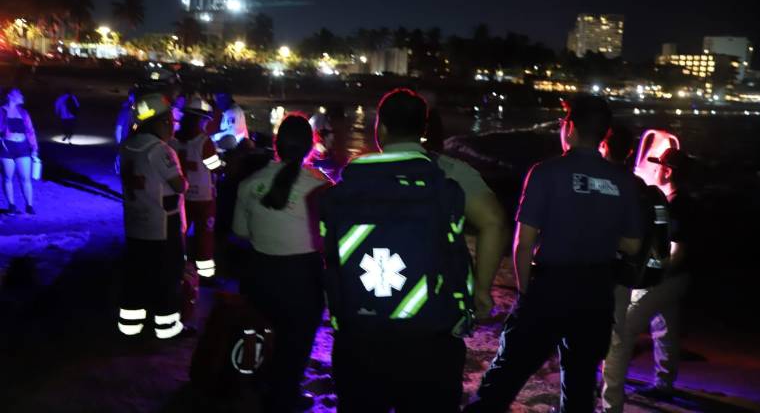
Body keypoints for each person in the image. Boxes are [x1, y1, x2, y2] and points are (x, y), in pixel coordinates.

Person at [324, 89, 508, 412]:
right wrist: (481, 290)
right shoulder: (447, 173)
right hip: (431, 338)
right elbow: (494, 221)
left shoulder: (350, 179)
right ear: (423, 130)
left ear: (379, 129)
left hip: (359, 334)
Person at [465, 95, 642, 413]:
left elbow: (523, 242)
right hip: (595, 293)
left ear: (570, 128)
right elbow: (632, 245)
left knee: (506, 376)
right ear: (603, 134)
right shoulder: (625, 182)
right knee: (579, 383)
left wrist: (524, 292)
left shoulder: (545, 172)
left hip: (551, 288)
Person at [232, 115, 329, 412]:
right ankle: (284, 396)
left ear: (276, 144)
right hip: (302, 279)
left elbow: (240, 233)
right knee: (296, 343)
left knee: (264, 332)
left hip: (259, 275)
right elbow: (331, 237)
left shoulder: (250, 183)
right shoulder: (321, 185)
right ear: (311, 147)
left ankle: (262, 381)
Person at [601, 147, 693, 412]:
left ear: (668, 171)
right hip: (680, 280)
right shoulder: (679, 201)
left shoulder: (676, 206)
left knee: (624, 330)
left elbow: (678, 250)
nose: (653, 169)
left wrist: (651, 278)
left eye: (659, 165)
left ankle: (610, 396)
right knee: (666, 328)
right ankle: (664, 383)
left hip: (667, 279)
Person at [117, 93, 189, 340]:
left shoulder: (127, 146)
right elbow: (179, 185)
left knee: (136, 276)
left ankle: (130, 326)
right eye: (170, 120)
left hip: (135, 224)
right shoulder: (160, 150)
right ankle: (167, 328)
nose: (172, 125)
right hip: (162, 225)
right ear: (159, 121)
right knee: (168, 278)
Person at [170, 97, 222, 278]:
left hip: (181, 196)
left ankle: (180, 269)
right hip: (203, 198)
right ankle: (205, 274)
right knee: (204, 236)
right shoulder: (204, 142)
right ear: (201, 120)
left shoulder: (173, 140)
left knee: (180, 233)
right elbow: (215, 167)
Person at [1, 88, 38, 215]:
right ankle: (11, 205)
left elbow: (30, 131)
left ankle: (29, 205)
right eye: (19, 94)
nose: (22, 96)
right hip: (6, 147)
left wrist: (34, 148)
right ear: (10, 96)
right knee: (7, 178)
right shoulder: (1, 111)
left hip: (22, 146)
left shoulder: (23, 112)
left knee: (25, 178)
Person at [114, 90, 137, 174]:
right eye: (134, 96)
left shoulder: (136, 110)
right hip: (125, 140)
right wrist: (119, 142)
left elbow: (135, 124)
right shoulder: (125, 111)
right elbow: (119, 128)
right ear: (130, 97)